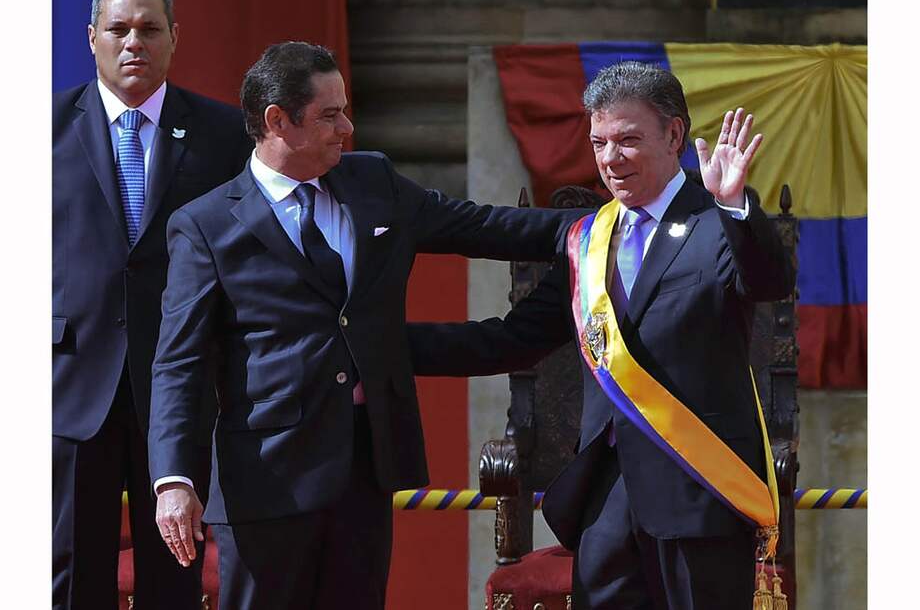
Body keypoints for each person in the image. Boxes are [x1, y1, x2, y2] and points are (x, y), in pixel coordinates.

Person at [148, 41, 583, 610]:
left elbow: (487, 227)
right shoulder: (204, 226)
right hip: (266, 482)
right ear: (277, 121)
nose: (346, 128)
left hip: (363, 469)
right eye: (329, 115)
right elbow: (178, 362)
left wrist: (605, 225)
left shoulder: (372, 183)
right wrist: (174, 478)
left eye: (345, 110)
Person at [408, 61, 794, 609]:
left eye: (628, 141)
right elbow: (510, 340)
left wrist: (734, 204)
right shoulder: (587, 241)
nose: (611, 160)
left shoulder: (716, 223)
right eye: (599, 143)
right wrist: (389, 348)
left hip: (699, 490)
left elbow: (768, 279)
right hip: (606, 497)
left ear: (675, 135)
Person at [52, 0, 252, 607]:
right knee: (66, 577)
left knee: (174, 574)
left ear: (174, 38)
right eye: (118, 29)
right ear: (91, 38)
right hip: (68, 384)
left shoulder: (224, 134)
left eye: (148, 28)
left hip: (179, 386)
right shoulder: (39, 129)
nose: (133, 41)